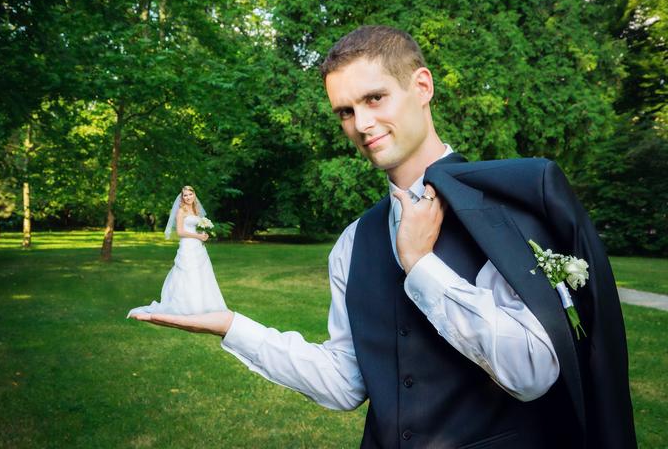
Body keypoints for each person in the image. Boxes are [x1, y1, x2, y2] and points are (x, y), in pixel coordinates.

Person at [132, 27, 636, 448]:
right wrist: (231, 326)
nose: (362, 124)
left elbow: (532, 372)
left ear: (422, 86)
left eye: (375, 98)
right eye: (345, 112)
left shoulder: (506, 207)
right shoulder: (353, 243)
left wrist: (422, 266)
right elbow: (345, 382)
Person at [128, 186, 226, 317]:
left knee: (201, 273)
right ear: (182, 198)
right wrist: (197, 236)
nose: (188, 197)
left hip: (198, 246)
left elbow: (196, 227)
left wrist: (203, 234)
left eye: (190, 194)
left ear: (194, 195)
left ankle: (203, 305)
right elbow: (180, 232)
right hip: (187, 245)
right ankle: (186, 306)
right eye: (185, 195)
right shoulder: (181, 211)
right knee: (188, 273)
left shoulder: (196, 210)